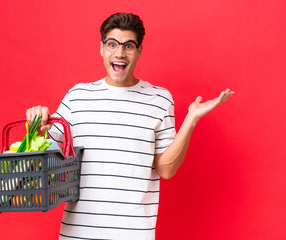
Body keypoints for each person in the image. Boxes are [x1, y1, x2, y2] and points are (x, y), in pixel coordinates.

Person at [26, 13, 234, 240]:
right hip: (78, 233)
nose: (120, 53)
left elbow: (166, 169)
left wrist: (190, 120)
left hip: (133, 233)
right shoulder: (77, 96)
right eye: (112, 44)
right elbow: (45, 155)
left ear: (139, 51)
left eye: (128, 46)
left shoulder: (160, 99)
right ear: (102, 49)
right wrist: (36, 124)